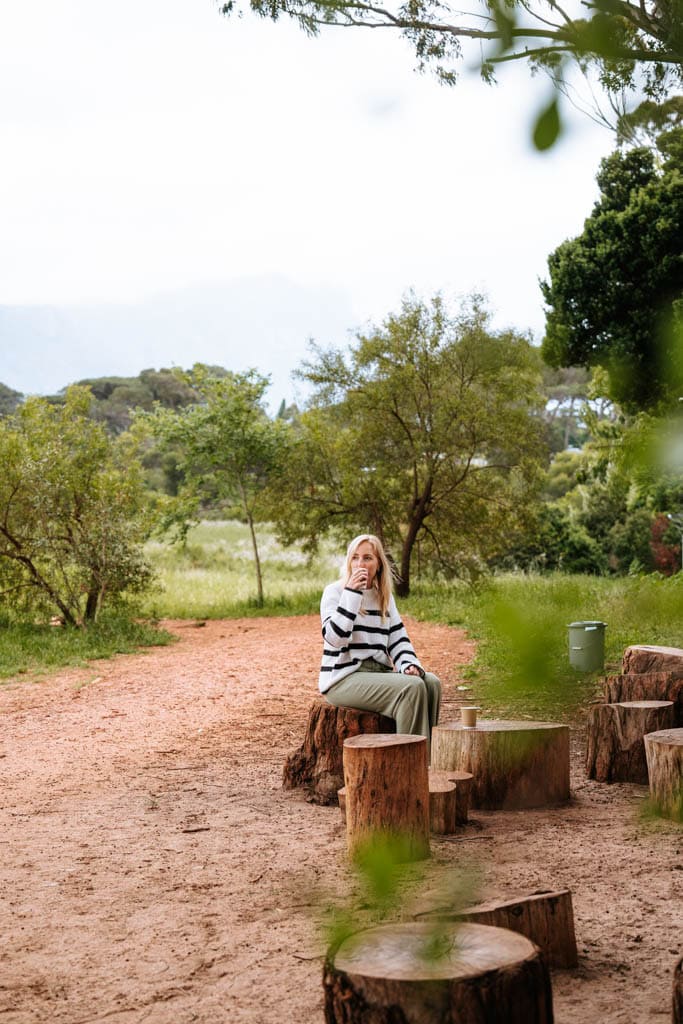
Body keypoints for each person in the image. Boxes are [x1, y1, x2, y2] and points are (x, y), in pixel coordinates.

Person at [319, 533, 441, 756]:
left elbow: (398, 638)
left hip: (377, 673)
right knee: (411, 688)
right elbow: (335, 638)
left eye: (367, 558)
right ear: (348, 561)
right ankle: (410, 764)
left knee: (431, 683)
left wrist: (408, 664)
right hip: (343, 677)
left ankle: (428, 758)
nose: (360, 564)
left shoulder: (383, 596)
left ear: (378, 565)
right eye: (355, 557)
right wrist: (352, 594)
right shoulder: (335, 592)